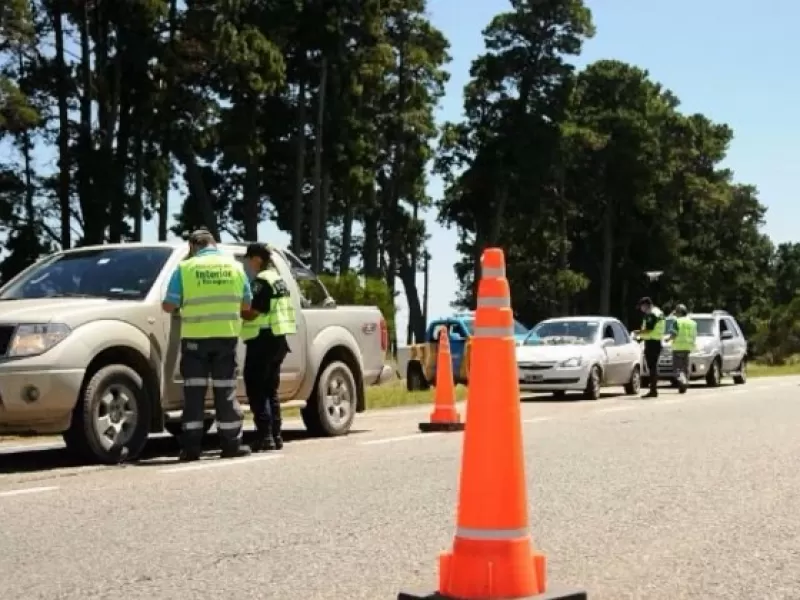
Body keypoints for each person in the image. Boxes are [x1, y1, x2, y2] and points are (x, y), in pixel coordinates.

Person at [161, 229, 252, 461]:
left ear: (192, 246)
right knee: (226, 391)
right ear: (214, 243)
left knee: (194, 393)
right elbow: (246, 304)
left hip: (195, 340)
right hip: (226, 338)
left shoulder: (185, 268)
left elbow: (168, 306)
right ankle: (231, 445)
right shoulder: (235, 267)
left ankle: (191, 449)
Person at [241, 243, 297, 452]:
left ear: (257, 259)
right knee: (270, 390)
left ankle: (264, 437)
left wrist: (236, 312)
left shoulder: (261, 282)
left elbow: (255, 311)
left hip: (262, 339)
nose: (247, 263)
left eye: (249, 258)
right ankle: (276, 435)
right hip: (278, 340)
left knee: (257, 390)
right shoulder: (279, 280)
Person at [635, 296, 666, 398]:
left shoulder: (651, 314)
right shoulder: (659, 312)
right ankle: (654, 389)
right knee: (653, 366)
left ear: (646, 305)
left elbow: (648, 330)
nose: (641, 309)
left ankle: (653, 390)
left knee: (652, 367)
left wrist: (637, 333)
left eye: (641, 307)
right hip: (657, 341)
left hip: (652, 342)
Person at [667, 303, 697, 394]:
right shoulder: (692, 323)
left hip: (678, 348)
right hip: (688, 348)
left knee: (677, 369)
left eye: (676, 312)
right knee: (685, 367)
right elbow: (694, 335)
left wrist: (668, 339)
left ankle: (683, 382)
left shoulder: (677, 322)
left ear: (679, 313)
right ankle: (684, 385)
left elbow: (674, 334)